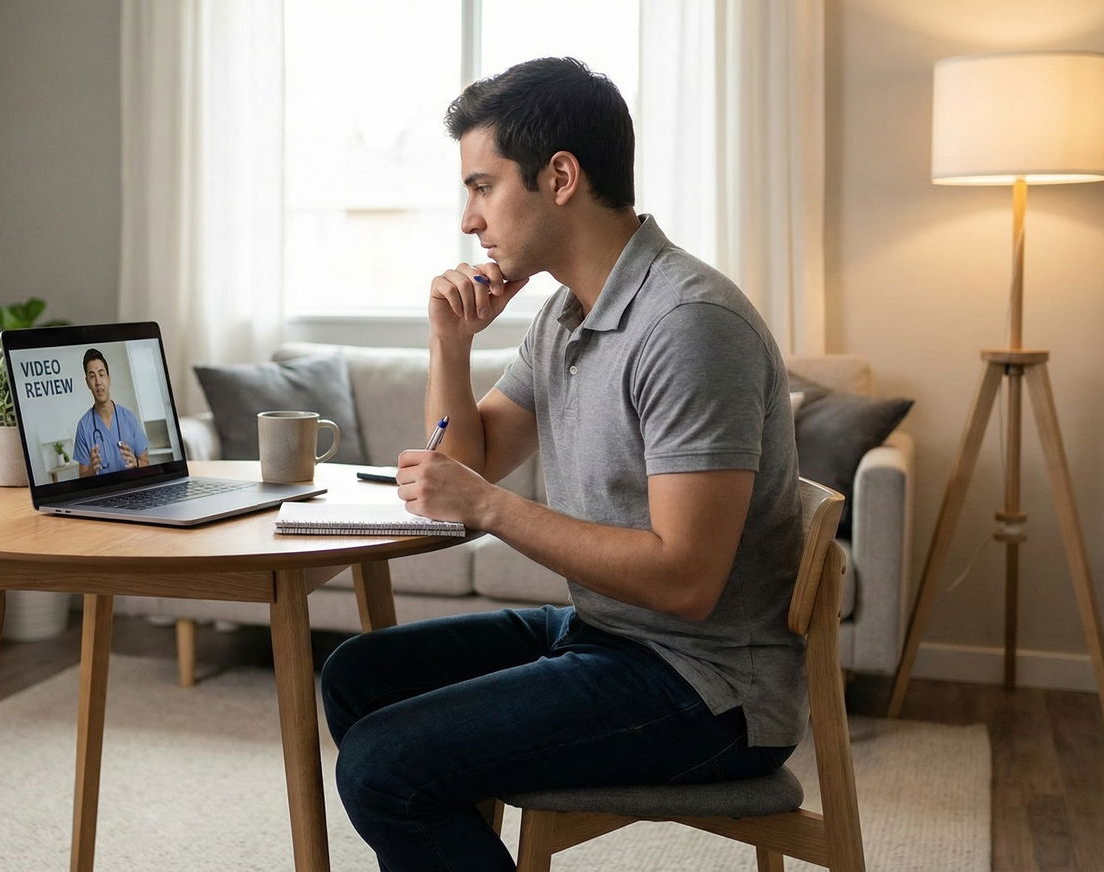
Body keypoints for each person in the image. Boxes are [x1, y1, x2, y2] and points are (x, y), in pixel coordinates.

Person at [319, 57, 804, 871]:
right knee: (358, 676)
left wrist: (491, 509)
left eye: (482, 186)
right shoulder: (567, 313)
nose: (469, 220)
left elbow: (686, 579)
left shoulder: (687, 324)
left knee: (383, 765)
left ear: (561, 177)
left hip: (708, 687)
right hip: (610, 634)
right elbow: (462, 468)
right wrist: (450, 340)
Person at [72, 347, 150, 476]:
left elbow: (146, 463)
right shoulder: (83, 426)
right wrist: (92, 470)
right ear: (87, 383)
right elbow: (82, 477)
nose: (98, 382)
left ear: (108, 378)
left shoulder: (129, 418)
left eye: (101, 375)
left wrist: (137, 463)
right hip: (104, 492)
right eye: (92, 376)